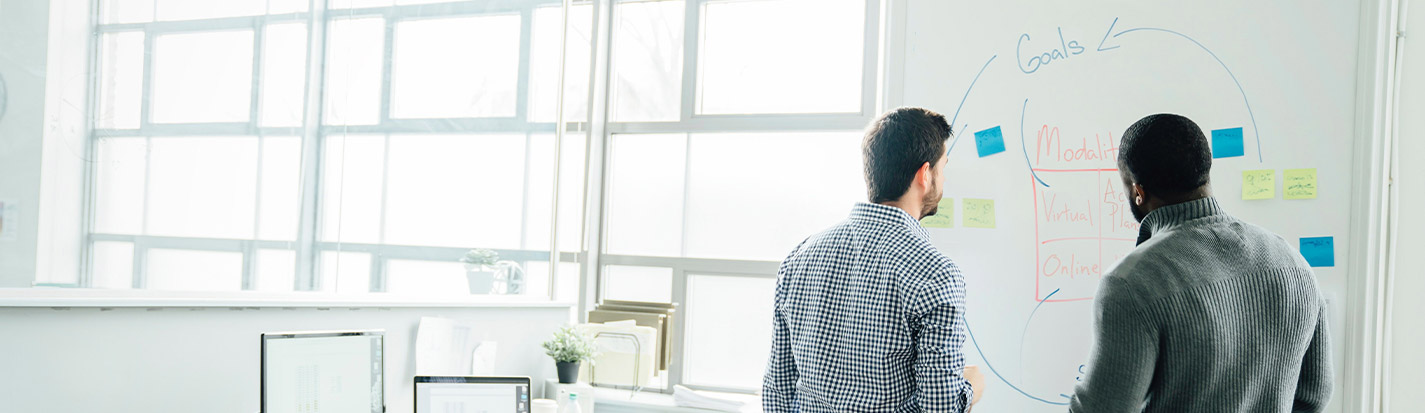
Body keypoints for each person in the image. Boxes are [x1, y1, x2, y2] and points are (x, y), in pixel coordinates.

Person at [1069, 114, 1332, 412]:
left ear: (1138, 192)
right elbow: (1314, 396)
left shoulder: (1131, 282)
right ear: (1205, 174)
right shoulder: (1293, 263)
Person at [763, 107, 985, 412]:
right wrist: (970, 386)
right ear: (924, 175)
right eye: (942, 168)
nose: (943, 179)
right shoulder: (935, 274)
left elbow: (778, 389)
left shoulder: (799, 256)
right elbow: (939, 408)